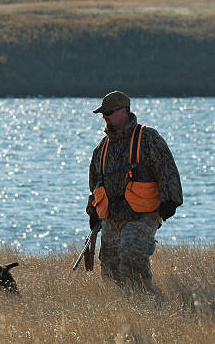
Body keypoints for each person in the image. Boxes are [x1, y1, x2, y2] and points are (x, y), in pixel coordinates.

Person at [86, 90, 182, 292]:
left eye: (109, 112)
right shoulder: (101, 149)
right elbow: (95, 186)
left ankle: (147, 305)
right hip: (112, 219)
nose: (105, 117)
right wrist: (93, 212)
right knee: (110, 269)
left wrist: (170, 201)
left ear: (124, 111)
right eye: (103, 114)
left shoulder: (148, 138)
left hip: (143, 215)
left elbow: (167, 170)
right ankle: (122, 311)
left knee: (132, 255)